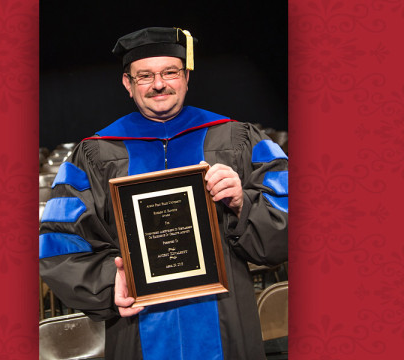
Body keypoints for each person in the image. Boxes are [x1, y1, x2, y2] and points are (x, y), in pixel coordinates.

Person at [39, 27, 288, 360]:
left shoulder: (238, 139)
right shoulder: (95, 154)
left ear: (186, 76)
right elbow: (58, 240)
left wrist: (243, 201)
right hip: (138, 323)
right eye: (145, 76)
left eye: (170, 72)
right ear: (127, 84)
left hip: (225, 316)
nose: (159, 84)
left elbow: (288, 217)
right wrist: (110, 281)